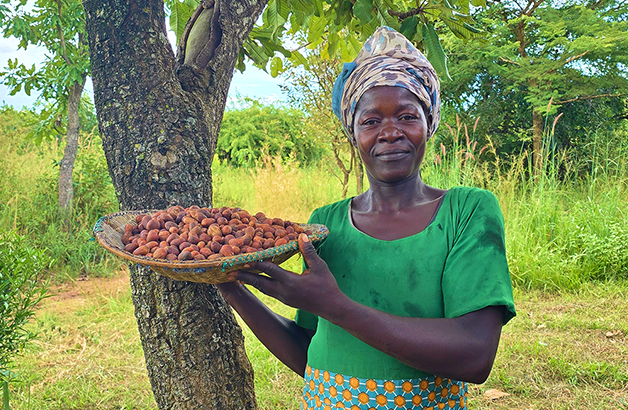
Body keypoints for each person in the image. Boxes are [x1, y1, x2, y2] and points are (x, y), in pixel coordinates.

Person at [216, 26, 516, 410]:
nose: (390, 133)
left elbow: (474, 355)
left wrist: (336, 306)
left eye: (407, 116)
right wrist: (230, 287)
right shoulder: (325, 225)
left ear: (429, 124)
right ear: (352, 133)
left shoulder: (466, 212)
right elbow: (309, 353)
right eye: (371, 121)